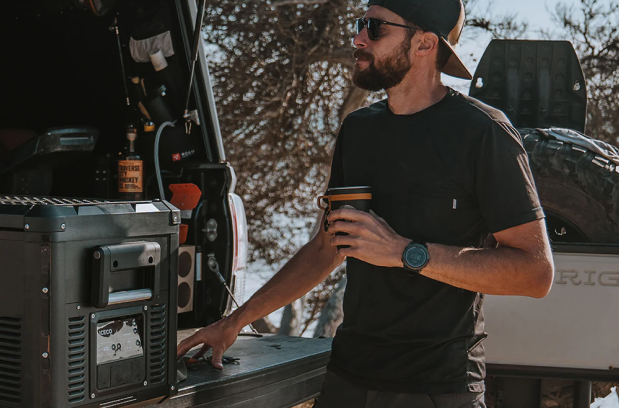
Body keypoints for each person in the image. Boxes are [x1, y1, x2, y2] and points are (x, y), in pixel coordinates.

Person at [175, 0, 555, 406]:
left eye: (375, 28)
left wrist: (405, 253)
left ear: (425, 43)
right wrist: (234, 323)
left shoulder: (484, 134)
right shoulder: (358, 130)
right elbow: (326, 248)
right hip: (349, 380)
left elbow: (535, 272)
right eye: (360, 24)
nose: (358, 39)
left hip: (438, 389)